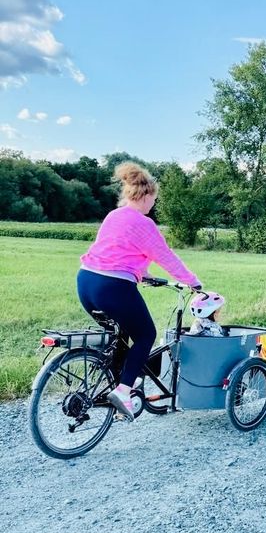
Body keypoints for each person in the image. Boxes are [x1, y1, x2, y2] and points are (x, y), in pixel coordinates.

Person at [77, 162, 202, 420]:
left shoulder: (114, 215)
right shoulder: (145, 224)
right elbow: (166, 257)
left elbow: (117, 249)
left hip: (86, 281)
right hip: (112, 286)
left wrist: (143, 275)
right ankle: (123, 391)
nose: (151, 207)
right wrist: (193, 282)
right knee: (146, 334)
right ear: (145, 196)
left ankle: (117, 385)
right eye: (152, 202)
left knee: (119, 337)